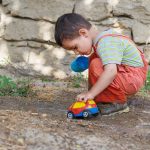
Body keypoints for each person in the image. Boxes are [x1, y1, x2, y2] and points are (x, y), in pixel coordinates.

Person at [54, 13, 148, 115]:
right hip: (128, 76)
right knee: (94, 60)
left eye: (75, 47)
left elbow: (111, 71)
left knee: (96, 64)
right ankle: (103, 99)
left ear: (83, 33)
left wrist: (90, 94)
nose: (76, 52)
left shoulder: (106, 43)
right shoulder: (102, 40)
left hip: (132, 78)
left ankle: (117, 103)